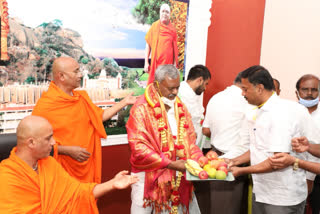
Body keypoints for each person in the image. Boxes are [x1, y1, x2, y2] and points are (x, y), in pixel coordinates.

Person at [228, 65, 320, 214]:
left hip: (282, 196)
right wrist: (234, 161)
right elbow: (259, 149)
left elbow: (278, 162)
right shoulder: (259, 111)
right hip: (262, 191)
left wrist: (242, 170)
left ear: (259, 88)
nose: (243, 94)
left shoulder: (281, 112)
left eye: (245, 89)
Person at [0, 116, 138, 213]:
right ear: (31, 143)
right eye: (48, 138)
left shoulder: (49, 164)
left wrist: (112, 184)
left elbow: (77, 194)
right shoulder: (6, 177)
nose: (54, 143)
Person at [32, 57, 137, 183]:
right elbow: (34, 142)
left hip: (86, 167)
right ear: (62, 76)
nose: (80, 75)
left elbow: (99, 117)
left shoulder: (81, 98)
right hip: (61, 172)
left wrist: (125, 102)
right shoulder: (45, 106)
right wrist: (66, 150)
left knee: (87, 198)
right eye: (76, 72)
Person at [126, 64, 203, 214]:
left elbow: (189, 140)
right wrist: (170, 164)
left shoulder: (180, 107)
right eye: (170, 88)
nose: (175, 92)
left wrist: (199, 159)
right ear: (156, 85)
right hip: (146, 179)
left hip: (177, 177)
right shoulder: (141, 108)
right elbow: (139, 148)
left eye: (177, 88)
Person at [197, 72, 250, 214]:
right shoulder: (247, 100)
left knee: (216, 205)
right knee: (231, 206)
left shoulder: (216, 97)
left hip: (215, 156)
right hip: (235, 159)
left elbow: (206, 130)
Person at [144, 3, 178, 85]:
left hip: (167, 67)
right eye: (163, 11)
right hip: (155, 65)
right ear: (159, 13)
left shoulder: (173, 30)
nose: (164, 14)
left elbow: (175, 51)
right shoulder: (154, 26)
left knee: (165, 90)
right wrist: (146, 62)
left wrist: (174, 66)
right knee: (153, 88)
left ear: (169, 14)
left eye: (167, 12)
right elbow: (148, 45)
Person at [178, 64, 211, 137]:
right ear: (200, 80)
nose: (205, 88)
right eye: (206, 84)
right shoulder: (182, 94)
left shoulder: (193, 93)